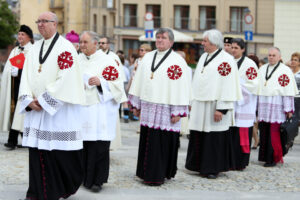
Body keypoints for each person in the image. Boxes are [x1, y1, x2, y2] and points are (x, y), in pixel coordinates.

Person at [18, 12, 86, 200]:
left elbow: (66, 78)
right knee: (37, 151)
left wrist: (44, 99)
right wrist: (27, 98)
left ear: (55, 24)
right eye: (38, 21)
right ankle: (36, 191)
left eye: (44, 21)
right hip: (37, 110)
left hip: (58, 112)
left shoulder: (66, 48)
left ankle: (53, 190)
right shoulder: (34, 48)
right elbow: (26, 76)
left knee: (56, 153)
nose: (40, 25)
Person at [129, 28, 191, 186]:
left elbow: (181, 87)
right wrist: (137, 104)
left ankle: (158, 174)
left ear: (171, 42)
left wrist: (177, 110)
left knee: (162, 143)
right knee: (148, 140)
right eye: (158, 37)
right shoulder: (148, 58)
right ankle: (144, 172)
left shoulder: (178, 61)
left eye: (163, 38)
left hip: (166, 108)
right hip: (149, 106)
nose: (160, 40)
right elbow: (139, 80)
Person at [185, 29, 242, 179]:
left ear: (214, 43)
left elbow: (228, 85)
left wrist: (221, 108)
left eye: (205, 41)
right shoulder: (204, 56)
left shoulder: (226, 60)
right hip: (200, 104)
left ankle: (212, 168)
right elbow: (197, 80)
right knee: (199, 136)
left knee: (213, 138)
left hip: (214, 106)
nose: (202, 43)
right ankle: (198, 166)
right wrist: (191, 100)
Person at [78, 31, 126, 192]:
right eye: (81, 42)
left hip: (100, 111)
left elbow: (118, 87)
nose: (82, 45)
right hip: (82, 109)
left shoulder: (108, 61)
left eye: (85, 42)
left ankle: (98, 180)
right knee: (83, 145)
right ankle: (84, 177)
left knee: (98, 146)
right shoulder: (77, 60)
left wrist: (101, 82)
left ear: (95, 43)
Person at [257, 47, 298, 167]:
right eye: (269, 55)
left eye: (273, 55)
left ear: (279, 57)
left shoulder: (285, 70)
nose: (271, 57)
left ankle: (274, 158)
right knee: (264, 131)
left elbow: (288, 91)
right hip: (264, 104)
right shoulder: (262, 69)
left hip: (277, 105)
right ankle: (264, 157)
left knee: (274, 133)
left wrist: (289, 109)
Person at [0, 24, 33, 150]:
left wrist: (19, 72)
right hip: (13, 87)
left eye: (22, 34)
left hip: (25, 87)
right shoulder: (15, 51)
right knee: (15, 113)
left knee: (21, 113)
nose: (20, 36)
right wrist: (10, 72)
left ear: (29, 37)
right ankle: (24, 139)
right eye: (19, 34)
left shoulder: (33, 51)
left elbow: (33, 70)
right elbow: (8, 68)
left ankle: (12, 140)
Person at [230, 38, 259, 170]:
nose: (233, 50)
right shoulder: (228, 61)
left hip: (244, 105)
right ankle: (230, 161)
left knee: (242, 135)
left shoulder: (249, 64)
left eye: (236, 48)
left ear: (243, 49)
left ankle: (241, 162)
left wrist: (237, 87)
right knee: (231, 134)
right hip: (231, 105)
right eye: (232, 47)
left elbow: (253, 85)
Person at [247, 54, 260, 149]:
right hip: (253, 101)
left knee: (253, 123)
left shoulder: (255, 72)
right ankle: (256, 140)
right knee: (253, 123)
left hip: (255, 101)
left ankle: (256, 141)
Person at [290, 52, 300, 121]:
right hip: (289, 98)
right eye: (292, 60)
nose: (293, 61)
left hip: (298, 99)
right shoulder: (288, 72)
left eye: (295, 60)